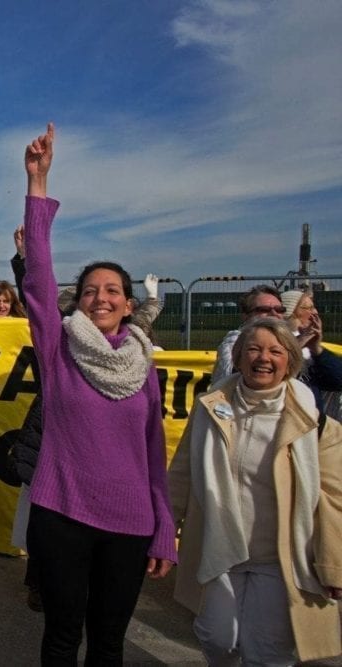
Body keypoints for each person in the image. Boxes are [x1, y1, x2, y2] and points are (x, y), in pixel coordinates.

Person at [20, 123, 176, 664]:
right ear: (77, 303)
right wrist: (38, 186)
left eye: (112, 290)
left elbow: (153, 456)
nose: (101, 297)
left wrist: (164, 530)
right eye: (90, 291)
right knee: (62, 638)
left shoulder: (144, 369)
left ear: (129, 306)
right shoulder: (58, 349)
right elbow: (38, 280)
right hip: (61, 514)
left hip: (129, 525)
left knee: (109, 643)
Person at [168, 318, 342, 664]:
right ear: (239, 356)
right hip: (219, 549)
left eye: (275, 351)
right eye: (254, 349)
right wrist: (163, 532)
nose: (264, 358)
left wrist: (333, 563)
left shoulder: (314, 420)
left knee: (267, 651)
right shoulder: (210, 408)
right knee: (218, 637)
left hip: (282, 559)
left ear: (289, 361)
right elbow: (181, 475)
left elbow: (334, 496)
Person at [211, 286, 285, 384]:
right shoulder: (234, 343)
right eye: (264, 309)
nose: (274, 313)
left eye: (279, 309)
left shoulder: (291, 340)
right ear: (245, 315)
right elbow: (229, 378)